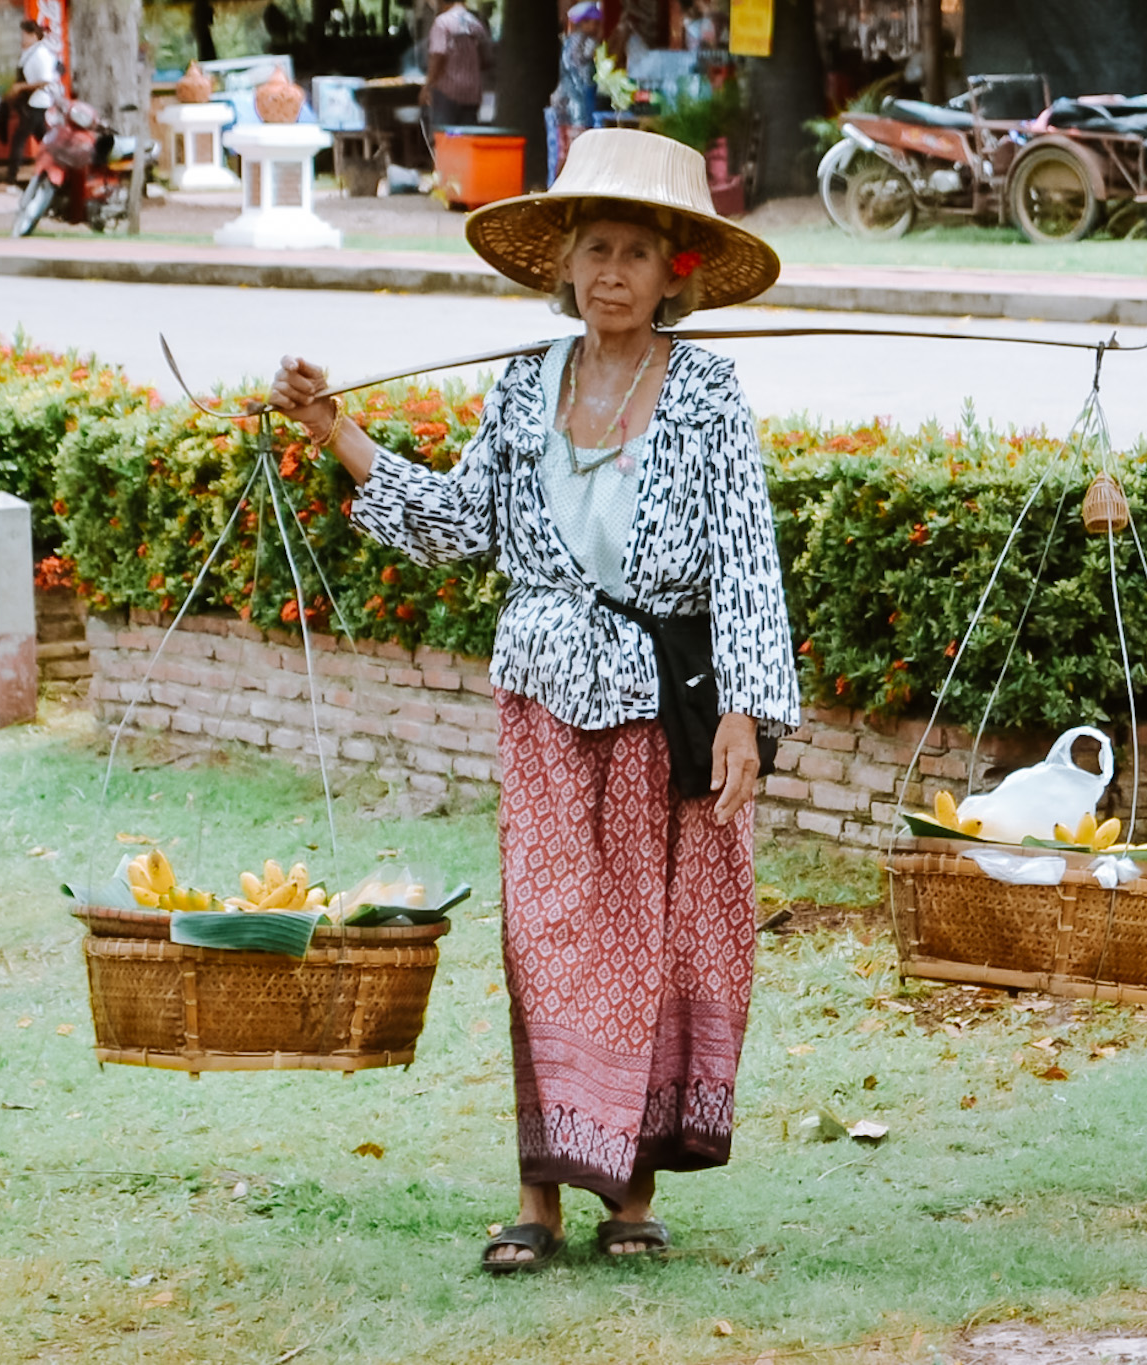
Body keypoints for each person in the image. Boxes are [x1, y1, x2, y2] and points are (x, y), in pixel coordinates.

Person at [268, 129, 795, 1274]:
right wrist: (334, 432)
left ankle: (632, 1196)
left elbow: (746, 558)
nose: (609, 273)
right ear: (561, 267)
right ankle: (538, 1194)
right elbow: (463, 527)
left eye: (634, 254)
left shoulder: (706, 393)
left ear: (675, 273)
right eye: (591, 249)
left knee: (646, 945)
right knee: (548, 941)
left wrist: (749, 711)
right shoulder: (522, 386)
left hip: (665, 708)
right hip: (546, 704)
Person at [0, 19, 63, 188]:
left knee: (20, 139)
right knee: (43, 138)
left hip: (36, 102)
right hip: (30, 103)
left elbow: (46, 80)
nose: (22, 38)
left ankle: (11, 178)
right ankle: (59, 167)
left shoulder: (40, 54)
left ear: (33, 35)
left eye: (25, 35)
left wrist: (21, 87)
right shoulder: (30, 52)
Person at [549, 1, 603, 179]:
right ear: (584, 23)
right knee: (578, 152)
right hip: (578, 105)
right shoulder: (587, 43)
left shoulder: (568, 42)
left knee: (563, 152)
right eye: (593, 23)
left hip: (563, 103)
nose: (596, 27)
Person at [421, 0, 491, 129]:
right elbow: (485, 59)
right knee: (467, 138)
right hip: (472, 93)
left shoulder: (442, 23)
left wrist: (428, 85)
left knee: (445, 138)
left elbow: (438, 56)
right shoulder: (475, 23)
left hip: (447, 92)